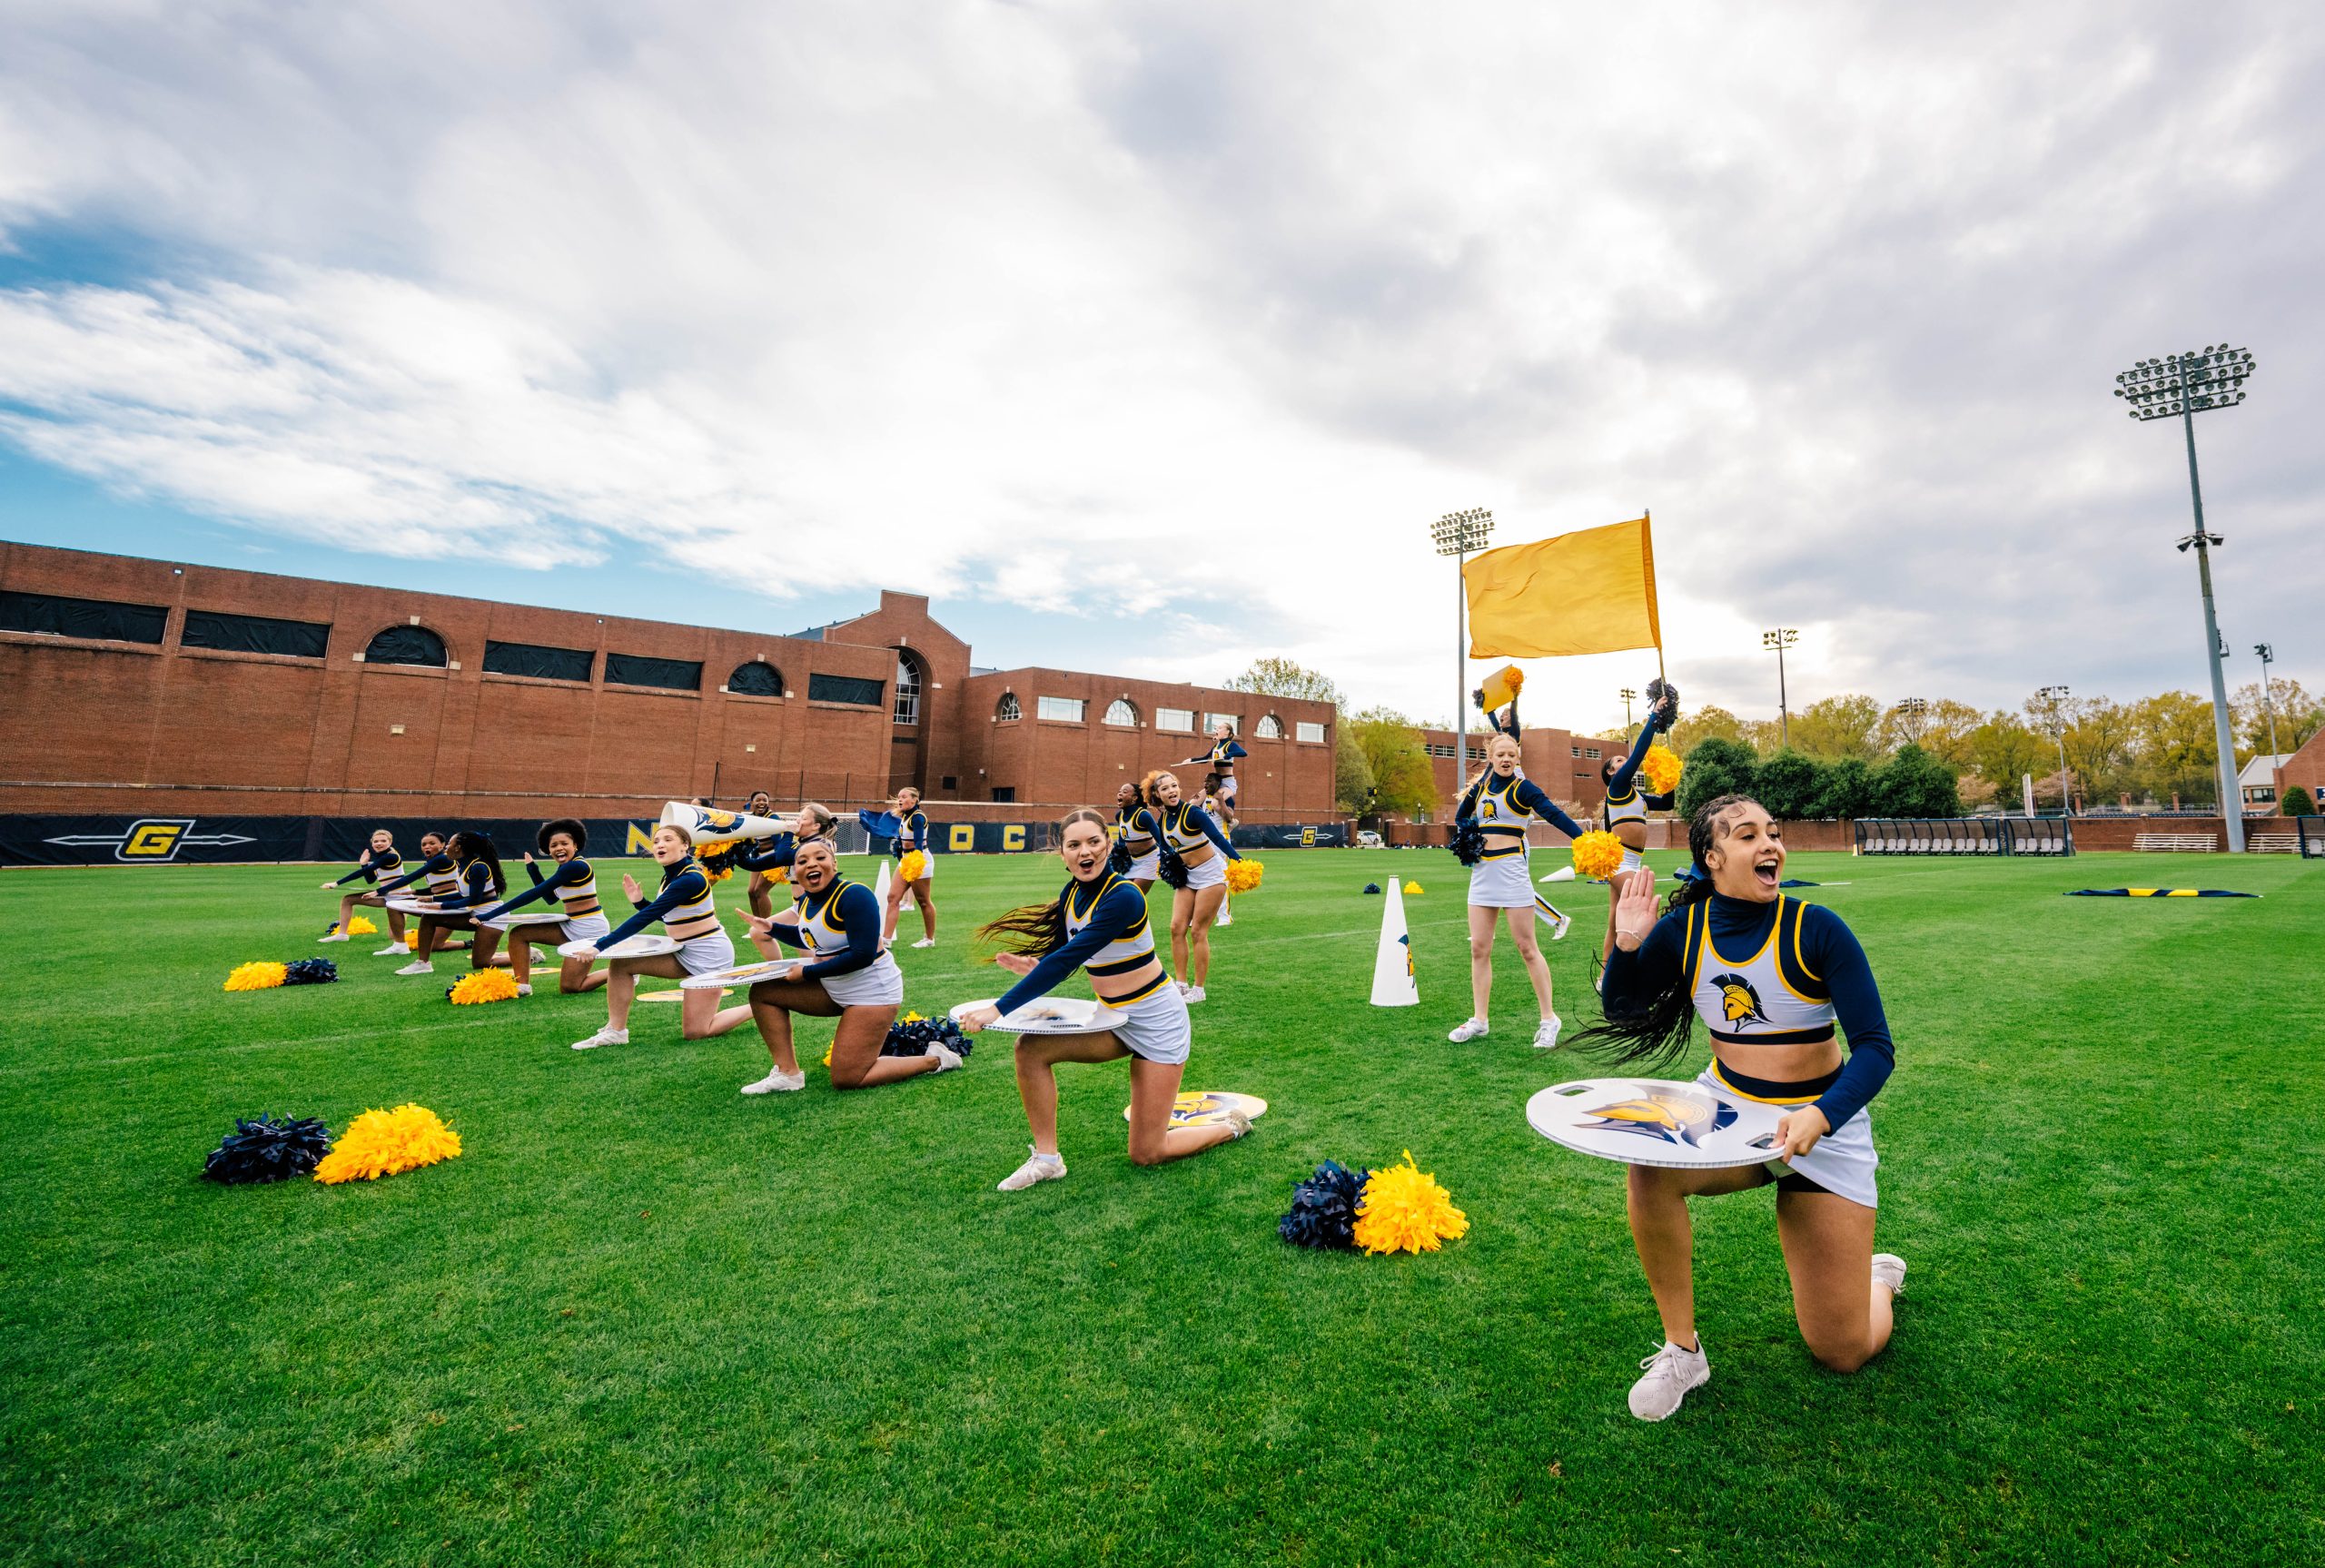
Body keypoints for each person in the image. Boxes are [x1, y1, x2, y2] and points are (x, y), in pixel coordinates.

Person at [1582, 794, 1904, 1422]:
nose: (1771, 845)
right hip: (1730, 1110)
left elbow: (1875, 1049)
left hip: (1820, 1131)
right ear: (1712, 855)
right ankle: (1683, 1350)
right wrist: (1625, 942)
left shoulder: (1818, 927)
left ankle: (1875, 1280)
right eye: (1749, 834)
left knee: (1842, 1349)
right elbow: (1623, 1009)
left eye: (1775, 833)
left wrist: (1821, 1114)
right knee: (1648, 1169)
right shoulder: (1685, 928)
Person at [958, 808, 1253, 1191]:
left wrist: (996, 1008)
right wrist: (1035, 965)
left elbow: (1069, 959)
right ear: (1061, 853)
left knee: (1148, 1153)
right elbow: (1065, 952)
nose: (1086, 852)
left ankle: (1229, 1126)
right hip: (1113, 1018)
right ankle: (1047, 1160)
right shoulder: (1072, 895)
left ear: (1109, 844)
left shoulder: (1125, 897)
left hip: (1158, 1023)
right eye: (1074, 844)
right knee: (1029, 1049)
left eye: (1094, 841)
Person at [735, 837, 956, 1096]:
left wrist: (806, 973)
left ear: (834, 863)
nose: (811, 864)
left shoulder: (855, 895)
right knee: (763, 992)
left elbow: (861, 954)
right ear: (796, 872)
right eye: (802, 861)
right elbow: (811, 936)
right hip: (835, 986)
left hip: (871, 993)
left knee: (848, 1078)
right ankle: (788, 1074)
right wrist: (770, 927)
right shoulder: (807, 900)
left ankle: (937, 1059)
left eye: (820, 857)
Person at [1448, 731, 1588, 1050]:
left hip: (1511, 873)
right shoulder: (1480, 787)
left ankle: (1549, 1020)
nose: (1507, 759)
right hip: (1482, 874)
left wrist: (1581, 837)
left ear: (1518, 757)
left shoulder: (1523, 788)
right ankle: (1479, 1021)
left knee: (1527, 948)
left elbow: (1552, 812)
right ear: (1492, 758)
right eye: (1501, 755)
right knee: (1479, 948)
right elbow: (1460, 817)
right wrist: (1469, 837)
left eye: (1512, 754)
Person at [567, 823, 755, 1050]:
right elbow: (671, 917)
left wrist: (600, 946)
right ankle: (616, 1031)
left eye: (668, 839)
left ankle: (756, 1007)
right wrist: (639, 902)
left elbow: (648, 916)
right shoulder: (669, 878)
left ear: (685, 845)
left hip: (710, 955)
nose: (660, 845)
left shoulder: (690, 879)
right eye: (656, 841)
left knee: (697, 1032)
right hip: (684, 950)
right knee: (621, 964)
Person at [466, 819, 611, 996]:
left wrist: (488, 915)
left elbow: (535, 893)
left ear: (576, 845)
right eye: (553, 845)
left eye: (564, 844)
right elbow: (550, 898)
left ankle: (621, 972)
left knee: (571, 987)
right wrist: (532, 868)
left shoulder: (576, 866)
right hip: (572, 925)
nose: (559, 848)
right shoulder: (564, 868)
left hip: (589, 928)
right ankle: (523, 986)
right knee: (519, 934)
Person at [1136, 770, 1241, 1003]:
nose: (1171, 791)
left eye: (1174, 786)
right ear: (1157, 794)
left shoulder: (1192, 812)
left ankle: (1199, 990)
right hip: (1187, 877)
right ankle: (1181, 984)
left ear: (1179, 788)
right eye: (1165, 788)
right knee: (1176, 928)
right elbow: (1164, 849)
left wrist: (1238, 860)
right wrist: (1166, 868)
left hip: (1211, 875)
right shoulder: (1162, 820)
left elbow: (1217, 838)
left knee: (1197, 931)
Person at [1599, 681, 1680, 970]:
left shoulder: (1638, 797)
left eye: (1625, 759)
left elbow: (1668, 803)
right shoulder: (1618, 788)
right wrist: (1654, 716)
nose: (1626, 762)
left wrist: (1668, 775)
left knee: (1614, 920)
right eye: (1619, 761)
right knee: (1645, 904)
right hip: (1619, 862)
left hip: (1634, 860)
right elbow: (1638, 756)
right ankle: (1653, 967)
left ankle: (1606, 974)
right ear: (1611, 773)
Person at [394, 832, 507, 976]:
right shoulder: (463, 865)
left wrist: (441, 906)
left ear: (458, 847)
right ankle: (423, 964)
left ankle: (529, 956)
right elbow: (462, 895)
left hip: (491, 917)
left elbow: (475, 900)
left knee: (481, 963)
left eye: (449, 844)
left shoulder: (478, 867)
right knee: (429, 918)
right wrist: (432, 899)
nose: (446, 848)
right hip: (473, 914)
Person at [371, 831, 472, 953]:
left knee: (435, 946)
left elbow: (411, 877)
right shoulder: (437, 860)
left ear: (442, 845)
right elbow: (440, 888)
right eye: (424, 844)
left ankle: (469, 943)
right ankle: (400, 945)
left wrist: (378, 891)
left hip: (451, 907)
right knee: (393, 906)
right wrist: (414, 892)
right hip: (438, 903)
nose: (427, 847)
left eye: (431, 843)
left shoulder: (442, 858)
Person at [317, 828, 412, 954]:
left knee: (392, 935)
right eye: (376, 841)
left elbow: (361, 874)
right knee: (348, 900)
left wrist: (336, 883)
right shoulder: (381, 857)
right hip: (385, 896)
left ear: (390, 842)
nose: (379, 843)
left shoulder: (391, 856)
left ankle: (417, 933)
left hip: (400, 897)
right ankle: (342, 935)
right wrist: (364, 864)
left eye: (383, 841)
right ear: (372, 843)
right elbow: (370, 880)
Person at [877, 785, 939, 948]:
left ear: (915, 800)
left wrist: (916, 858)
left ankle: (929, 939)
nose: (900, 799)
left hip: (919, 860)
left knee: (923, 901)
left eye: (904, 797)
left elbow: (918, 841)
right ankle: (886, 939)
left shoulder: (918, 817)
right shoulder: (905, 816)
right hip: (906, 860)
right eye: (899, 797)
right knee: (892, 897)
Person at [1180, 720, 1248, 826]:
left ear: (1227, 732)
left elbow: (1243, 753)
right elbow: (1205, 759)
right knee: (1193, 803)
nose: (1217, 730)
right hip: (1215, 783)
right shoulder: (1215, 747)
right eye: (1217, 728)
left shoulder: (1230, 744)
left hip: (1227, 783)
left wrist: (1230, 754)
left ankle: (1231, 822)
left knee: (1214, 803)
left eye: (1220, 728)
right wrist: (1190, 760)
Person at [1113, 782, 1160, 892]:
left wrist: (1168, 858)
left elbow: (1160, 839)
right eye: (1119, 791)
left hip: (1149, 860)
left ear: (1134, 798)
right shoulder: (1119, 815)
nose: (1120, 794)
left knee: (1134, 895)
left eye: (1124, 792)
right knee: (1122, 895)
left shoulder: (1143, 815)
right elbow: (1121, 842)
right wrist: (1119, 859)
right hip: (1132, 861)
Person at [743, 792, 779, 922]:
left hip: (774, 859)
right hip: (759, 859)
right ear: (752, 802)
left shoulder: (773, 818)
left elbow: (778, 841)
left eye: (765, 800)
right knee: (751, 891)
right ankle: (757, 925)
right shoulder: (751, 818)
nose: (762, 803)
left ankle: (767, 927)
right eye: (758, 800)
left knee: (760, 891)